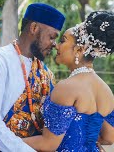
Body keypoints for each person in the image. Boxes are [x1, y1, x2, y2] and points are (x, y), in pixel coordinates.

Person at [22, 11, 114, 151]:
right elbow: (109, 138)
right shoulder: (106, 91)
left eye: (63, 40)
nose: (56, 46)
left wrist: (4, 141)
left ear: (79, 50)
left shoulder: (67, 88)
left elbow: (47, 145)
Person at [0, 3, 65, 151]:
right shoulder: (0, 60)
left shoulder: (46, 73)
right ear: (34, 28)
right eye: (51, 37)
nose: (55, 45)